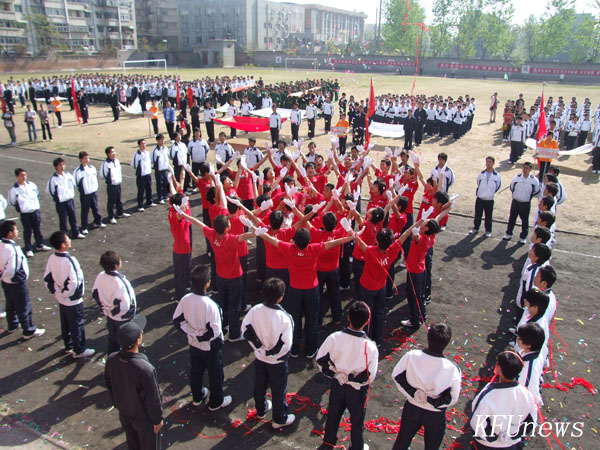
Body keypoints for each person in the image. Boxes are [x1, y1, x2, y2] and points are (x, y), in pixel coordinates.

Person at [316, 301, 378, 450]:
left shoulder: (334, 337)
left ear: (348, 317)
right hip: (357, 390)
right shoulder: (370, 347)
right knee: (357, 420)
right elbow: (370, 375)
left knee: (333, 415)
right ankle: (356, 446)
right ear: (367, 322)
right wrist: (352, 379)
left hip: (338, 384)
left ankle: (328, 443)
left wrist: (336, 374)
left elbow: (321, 360)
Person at [391, 323, 461, 450]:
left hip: (412, 407)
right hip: (435, 414)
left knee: (402, 441)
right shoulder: (452, 369)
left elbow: (396, 375)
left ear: (428, 337)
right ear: (448, 341)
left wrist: (414, 393)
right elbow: (453, 397)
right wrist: (432, 401)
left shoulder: (412, 356)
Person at [173, 265, 232, 411]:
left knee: (196, 371)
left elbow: (177, 321)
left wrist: (191, 333)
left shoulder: (185, 299)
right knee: (215, 374)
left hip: (194, 344)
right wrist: (200, 337)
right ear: (208, 283)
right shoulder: (211, 305)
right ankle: (216, 402)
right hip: (210, 346)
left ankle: (197, 396)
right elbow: (215, 331)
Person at [104, 315, 164, 450]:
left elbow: (109, 385)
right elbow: (152, 399)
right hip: (144, 419)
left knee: (133, 444)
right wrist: (157, 420)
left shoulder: (112, 359)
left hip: (125, 413)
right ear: (138, 340)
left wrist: (119, 405)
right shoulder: (145, 369)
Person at [242, 277, 295, 428]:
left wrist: (259, 348)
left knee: (260, 385)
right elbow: (286, 344)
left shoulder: (255, 310)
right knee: (279, 390)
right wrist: (272, 353)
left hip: (260, 358)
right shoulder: (285, 317)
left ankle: (261, 410)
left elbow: (245, 331)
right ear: (281, 297)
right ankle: (279, 419)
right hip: (277, 362)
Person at [470, 351, 537, 450]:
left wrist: (492, 436)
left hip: (487, 445)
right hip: (512, 444)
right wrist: (513, 433)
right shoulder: (527, 394)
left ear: (499, 368)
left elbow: (476, 422)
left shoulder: (488, 394)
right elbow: (531, 420)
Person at [43, 231, 95, 358]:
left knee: (66, 323)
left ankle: (68, 345)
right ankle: (79, 350)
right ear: (63, 245)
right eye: (67, 239)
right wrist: (66, 293)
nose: (70, 240)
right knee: (77, 324)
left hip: (62, 298)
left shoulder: (52, 258)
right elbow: (74, 281)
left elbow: (47, 278)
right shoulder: (70, 260)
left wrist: (57, 292)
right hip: (72, 299)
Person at [0, 220, 45, 338]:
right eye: (15, 229)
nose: (17, 231)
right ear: (10, 233)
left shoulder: (1, 244)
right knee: (23, 305)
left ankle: (13, 324)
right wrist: (11, 276)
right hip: (16, 281)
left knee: (10, 303)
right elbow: (12, 268)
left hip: (6, 281)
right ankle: (28, 330)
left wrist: (3, 276)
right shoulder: (12, 248)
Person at [92, 250, 137, 354]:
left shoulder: (100, 276)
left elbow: (95, 293)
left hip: (110, 315)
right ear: (117, 265)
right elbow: (126, 304)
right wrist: (117, 313)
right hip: (123, 317)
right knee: (127, 342)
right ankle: (125, 360)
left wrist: (105, 308)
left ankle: (112, 359)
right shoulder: (120, 282)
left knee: (113, 339)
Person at [8, 168, 51, 257]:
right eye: (21, 175)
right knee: (27, 231)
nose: (24, 177)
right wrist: (22, 208)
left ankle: (40, 245)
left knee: (37, 229)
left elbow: (37, 195)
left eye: (25, 175)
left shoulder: (32, 185)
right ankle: (28, 248)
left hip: (35, 211)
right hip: (25, 213)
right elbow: (12, 201)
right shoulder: (14, 190)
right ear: (17, 176)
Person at [46, 158, 85, 239]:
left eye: (63, 164)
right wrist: (58, 197)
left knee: (73, 217)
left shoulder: (68, 175)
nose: (62, 167)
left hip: (70, 200)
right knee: (63, 220)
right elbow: (50, 191)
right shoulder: (53, 179)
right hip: (61, 203)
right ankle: (65, 236)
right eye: (60, 165)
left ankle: (76, 233)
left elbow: (74, 185)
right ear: (56, 167)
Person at [503, 162, 540, 244]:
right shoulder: (516, 178)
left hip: (525, 203)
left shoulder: (534, 180)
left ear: (530, 169)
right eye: (524, 168)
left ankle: (523, 237)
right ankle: (508, 233)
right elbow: (512, 188)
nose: (525, 170)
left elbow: (536, 191)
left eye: (527, 168)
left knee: (525, 221)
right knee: (512, 218)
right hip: (515, 202)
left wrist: (527, 197)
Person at [73, 151, 105, 234]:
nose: (87, 159)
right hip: (85, 194)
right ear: (81, 159)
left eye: (88, 158)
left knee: (95, 208)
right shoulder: (78, 171)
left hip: (93, 192)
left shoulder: (92, 168)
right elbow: (75, 183)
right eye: (85, 158)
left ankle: (98, 222)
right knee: (85, 211)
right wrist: (83, 190)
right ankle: (84, 227)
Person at [168, 192, 192, 301]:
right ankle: (181, 297)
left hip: (185, 248)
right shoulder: (174, 214)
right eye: (184, 204)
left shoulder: (176, 211)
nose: (187, 205)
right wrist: (182, 208)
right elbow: (178, 216)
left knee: (185, 272)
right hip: (181, 250)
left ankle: (185, 292)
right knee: (181, 274)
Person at [470, 156, 502, 237]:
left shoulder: (497, 176)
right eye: (487, 162)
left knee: (488, 216)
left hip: (489, 199)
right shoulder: (481, 174)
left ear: (493, 163)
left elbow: (498, 186)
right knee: (478, 214)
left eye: (490, 162)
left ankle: (488, 231)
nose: (488, 163)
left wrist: (490, 193)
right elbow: (478, 183)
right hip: (480, 198)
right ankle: (476, 228)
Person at [516, 322, 546, 405]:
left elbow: (528, 393)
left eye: (520, 338)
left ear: (528, 345)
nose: (517, 339)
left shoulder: (528, 368)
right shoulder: (539, 350)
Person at [100, 146, 129, 224]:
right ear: (108, 154)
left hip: (118, 183)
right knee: (111, 201)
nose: (114, 153)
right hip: (111, 185)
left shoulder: (117, 161)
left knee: (118, 200)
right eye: (112, 152)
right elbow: (103, 175)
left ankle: (120, 213)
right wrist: (110, 180)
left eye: (114, 151)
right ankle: (111, 217)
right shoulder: (105, 164)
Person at [131, 139, 156, 212]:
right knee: (141, 191)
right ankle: (140, 205)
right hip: (141, 176)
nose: (144, 145)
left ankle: (149, 202)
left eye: (145, 143)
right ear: (139, 145)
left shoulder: (147, 153)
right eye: (142, 143)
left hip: (148, 174)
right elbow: (134, 165)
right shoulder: (137, 155)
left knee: (149, 189)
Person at [152, 134, 171, 204]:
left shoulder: (165, 148)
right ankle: (160, 198)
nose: (162, 141)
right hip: (159, 170)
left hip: (165, 169)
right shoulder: (155, 150)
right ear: (157, 140)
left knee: (166, 182)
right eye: (161, 140)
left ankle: (165, 195)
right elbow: (153, 160)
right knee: (159, 184)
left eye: (163, 139)